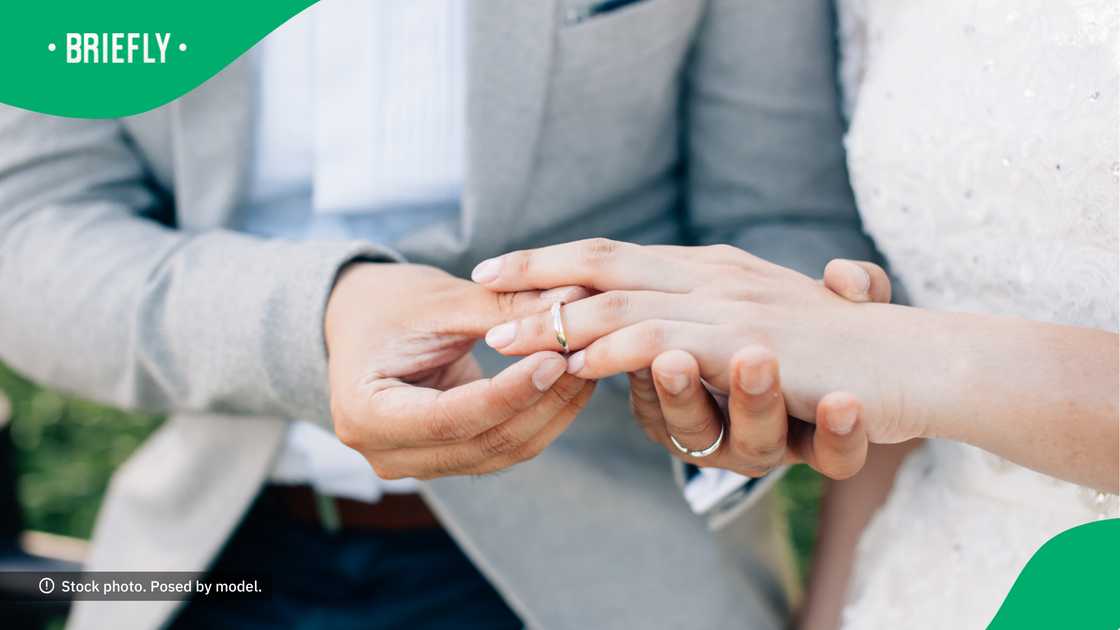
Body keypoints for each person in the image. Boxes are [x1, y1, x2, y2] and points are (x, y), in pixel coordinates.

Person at [0, 1, 881, 628]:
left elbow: (782, 213)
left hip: (615, 568)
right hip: (206, 562)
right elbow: (30, 228)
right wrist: (319, 318)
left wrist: (724, 377)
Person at [471, 1, 1120, 628]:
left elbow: (886, 361)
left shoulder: (895, 356)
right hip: (925, 573)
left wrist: (894, 353)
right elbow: (888, 394)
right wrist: (831, 609)